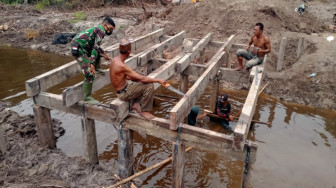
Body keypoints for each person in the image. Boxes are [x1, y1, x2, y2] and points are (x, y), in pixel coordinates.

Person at [109, 38, 167, 120]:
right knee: (149, 86)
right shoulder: (122, 66)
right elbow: (142, 79)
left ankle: (137, 104)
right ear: (129, 52)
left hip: (121, 90)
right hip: (123, 93)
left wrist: (135, 78)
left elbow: (120, 76)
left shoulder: (114, 60)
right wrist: (158, 80)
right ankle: (144, 110)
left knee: (137, 81)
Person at [70, 16, 115, 104]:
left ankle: (97, 69)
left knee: (98, 52)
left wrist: (104, 52)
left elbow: (95, 46)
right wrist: (91, 64)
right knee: (90, 73)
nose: (110, 31)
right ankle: (87, 98)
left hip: (83, 46)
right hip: (79, 49)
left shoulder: (99, 29)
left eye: (112, 29)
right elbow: (95, 48)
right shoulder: (101, 31)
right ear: (105, 25)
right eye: (110, 28)